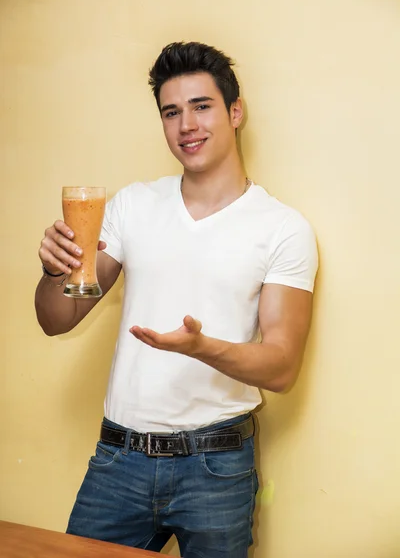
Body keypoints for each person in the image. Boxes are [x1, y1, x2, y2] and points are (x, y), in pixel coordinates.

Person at [35, 41, 318, 557]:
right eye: (171, 112)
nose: (186, 124)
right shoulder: (131, 205)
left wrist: (201, 348)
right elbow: (57, 319)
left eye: (201, 106)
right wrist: (55, 270)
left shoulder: (283, 229)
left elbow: (281, 367)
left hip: (217, 466)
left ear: (235, 112)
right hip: (117, 459)